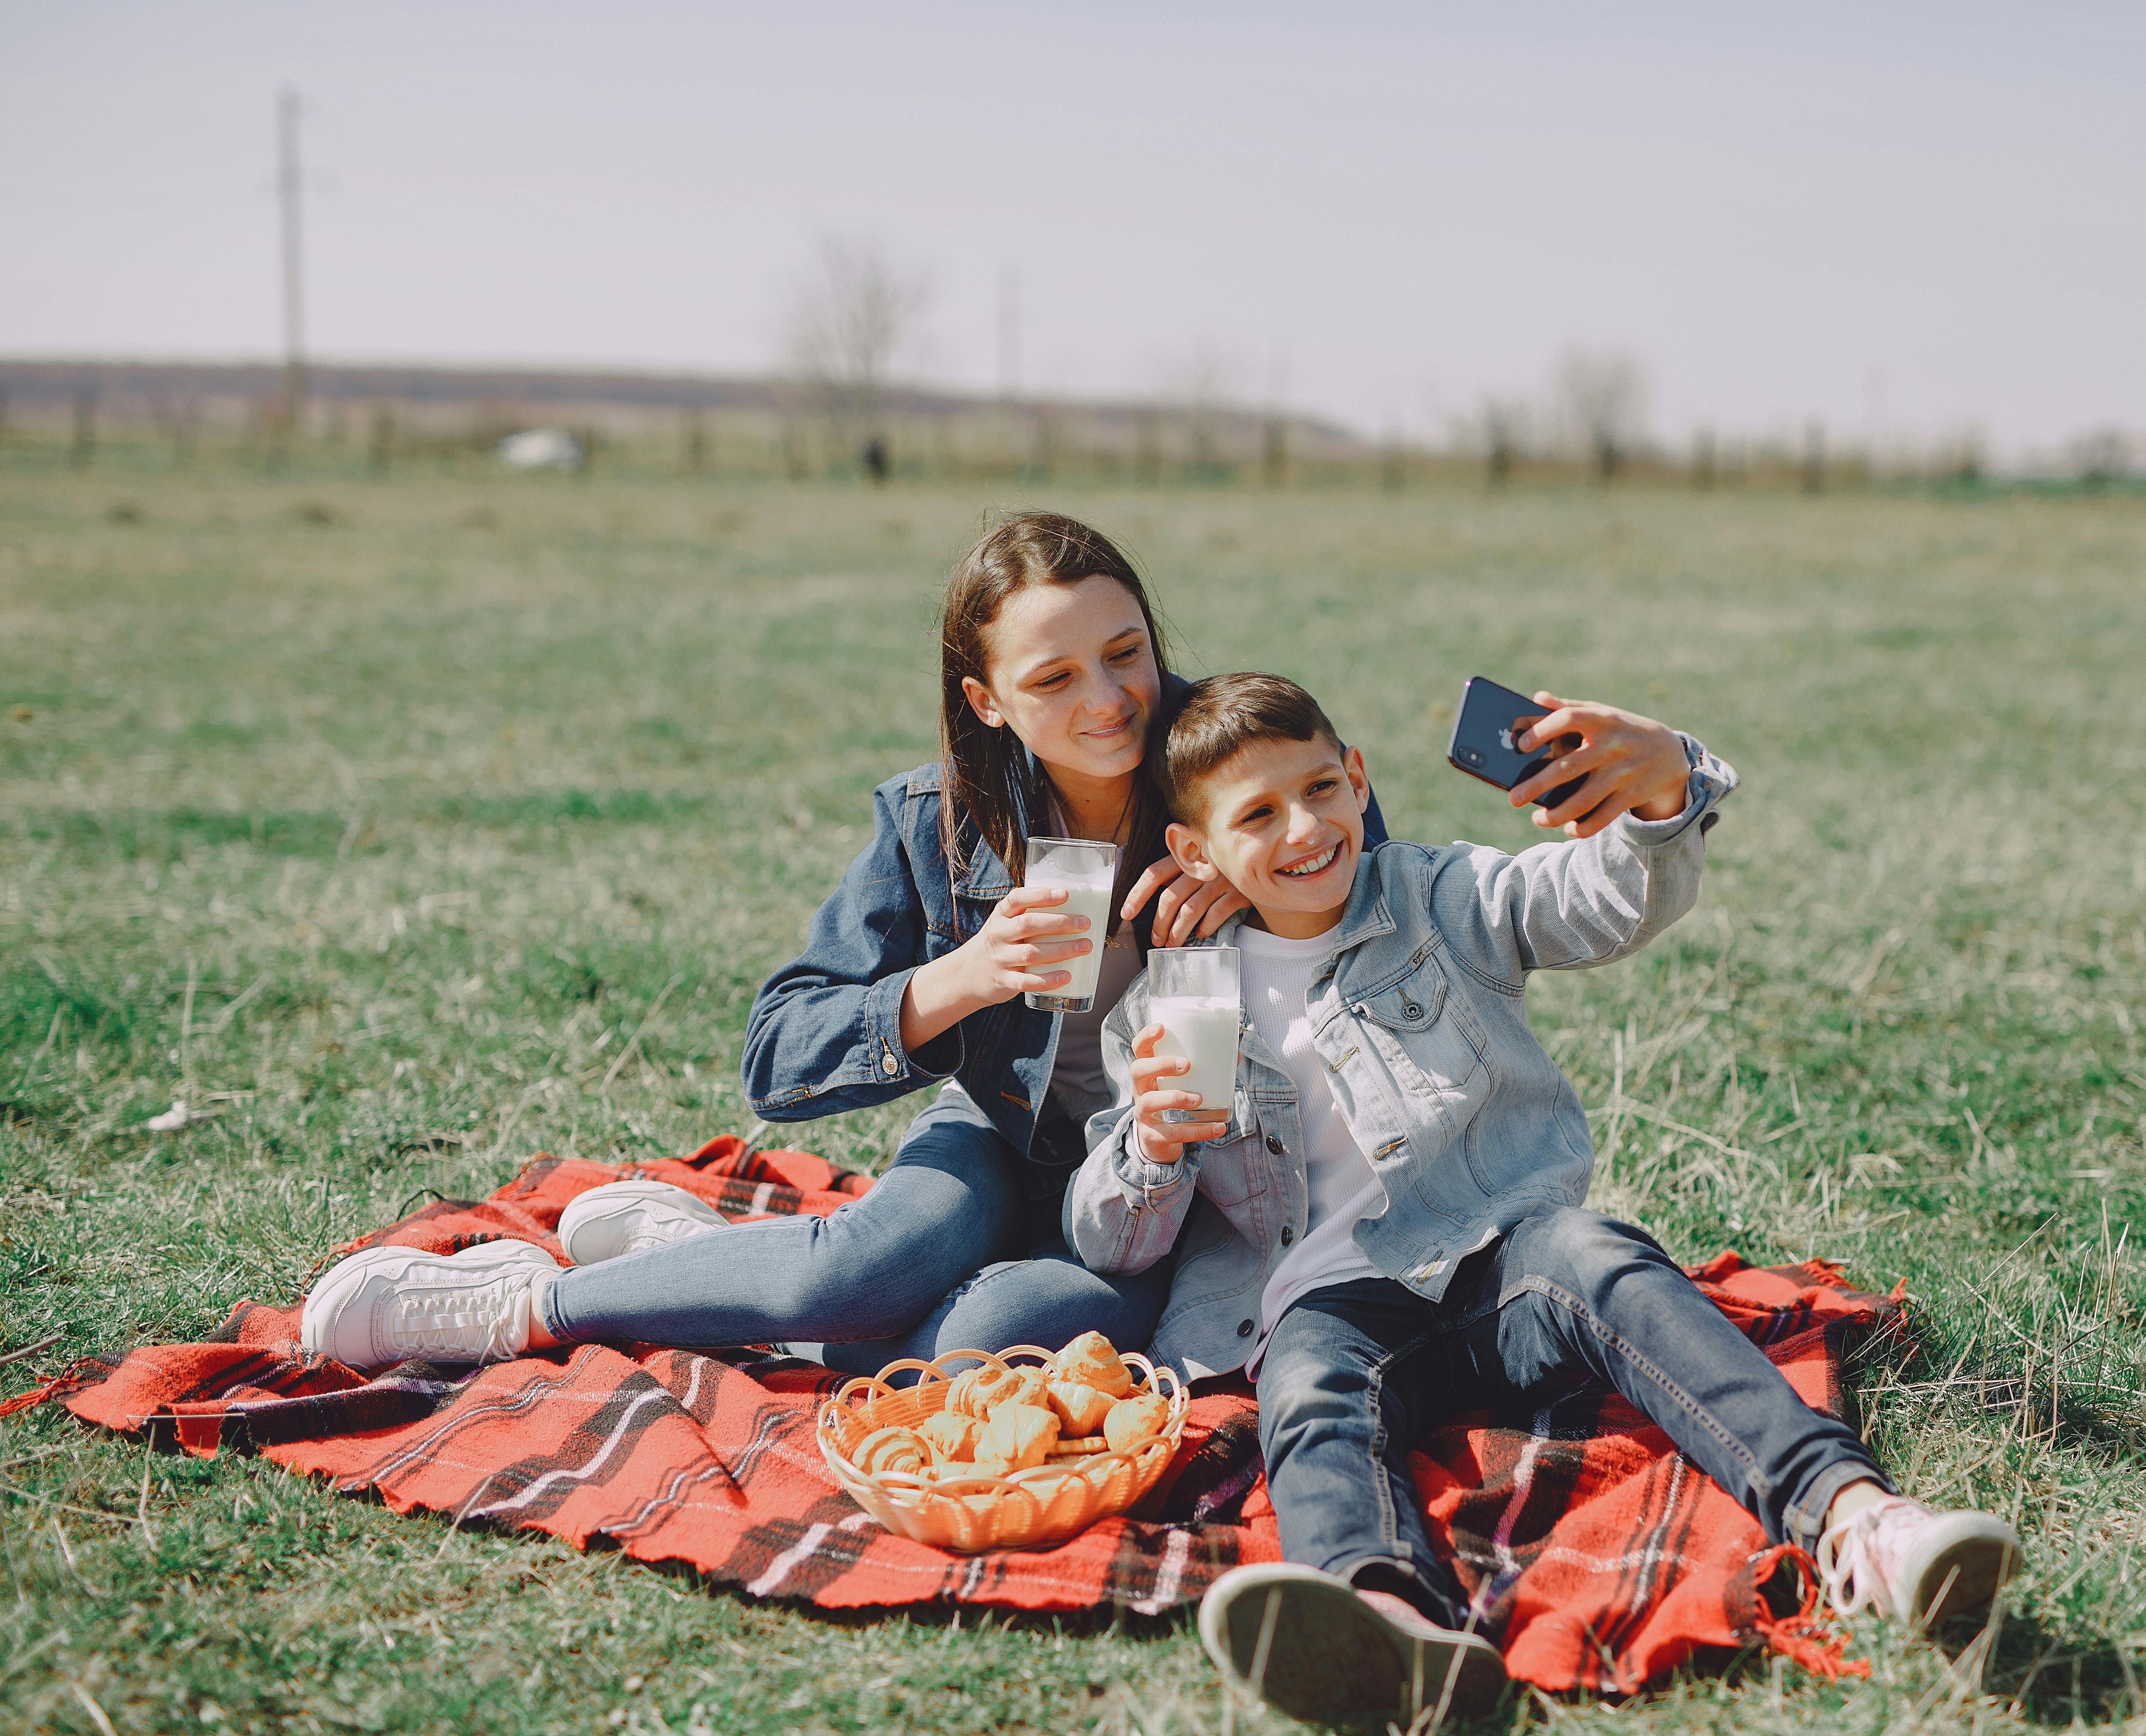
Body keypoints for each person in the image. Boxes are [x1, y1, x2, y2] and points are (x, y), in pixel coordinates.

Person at [1066, 673, 2021, 1727]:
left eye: (1322, 788)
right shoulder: (1172, 1006)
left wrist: (1662, 800)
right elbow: (1115, 1241)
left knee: (1599, 1254)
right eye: (1257, 815)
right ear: (1196, 852)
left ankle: (1859, 1522)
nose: (1306, 828)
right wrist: (1153, 1143)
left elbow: (1591, 903)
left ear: (1358, 779)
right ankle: (1384, 1623)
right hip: (1333, 1303)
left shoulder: (1436, 897)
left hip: (1501, 1252)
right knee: (1307, 1394)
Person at [293, 511, 1380, 1375]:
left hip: (1177, 1181)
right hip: (1002, 1130)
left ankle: (703, 1269)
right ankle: (525, 1304)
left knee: (983, 1344)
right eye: (1052, 678)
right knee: (869, 1264)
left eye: (1125, 653)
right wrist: (963, 976)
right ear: (987, 700)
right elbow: (778, 1058)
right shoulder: (936, 820)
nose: (1109, 701)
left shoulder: (1253, 769)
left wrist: (1266, 889)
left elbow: (1396, 940)